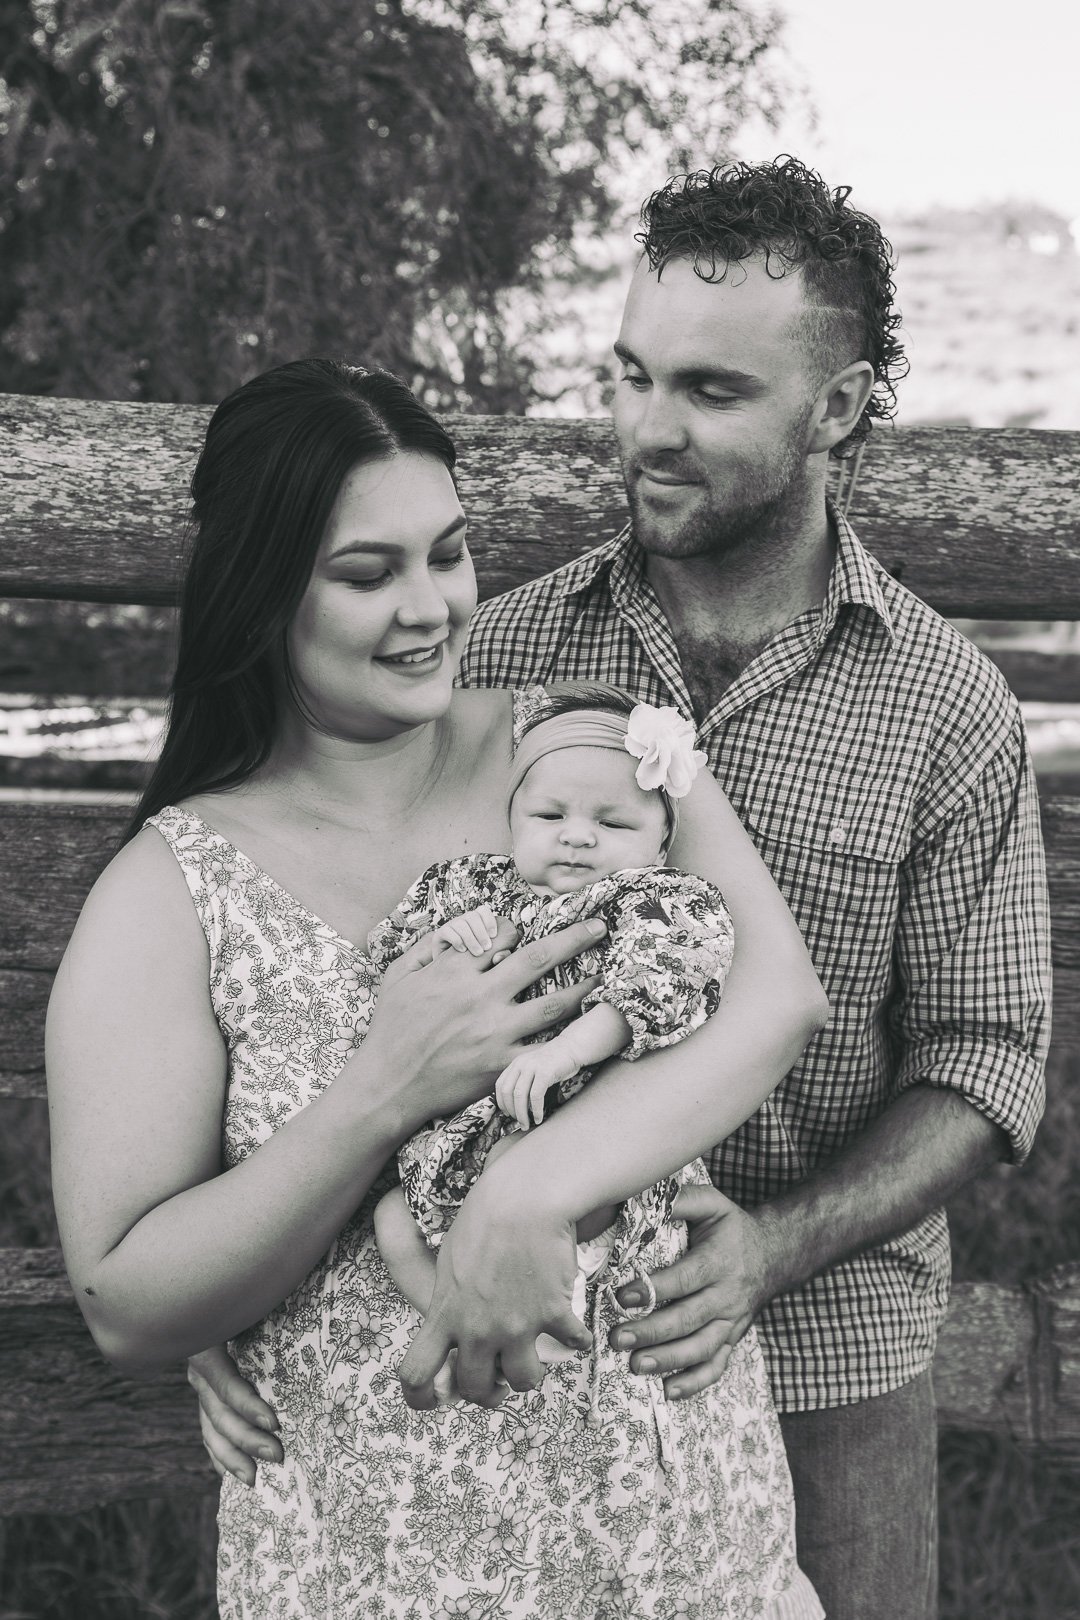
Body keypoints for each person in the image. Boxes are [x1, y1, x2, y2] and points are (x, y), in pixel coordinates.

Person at [194, 157, 1053, 1620]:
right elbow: (356, 992)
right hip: (527, 1337)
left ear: (837, 410)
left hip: (831, 1331)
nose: (647, 429)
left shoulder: (943, 705)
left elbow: (987, 1060)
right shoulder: (504, 660)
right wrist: (246, 1285)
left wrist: (771, 1250)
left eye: (710, 393)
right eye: (631, 374)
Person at [47, 358, 830, 1618]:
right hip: (383, 1566)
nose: (431, 608)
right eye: (369, 575)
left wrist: (526, 1190)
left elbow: (773, 996)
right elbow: (129, 1302)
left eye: (449, 554)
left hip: (677, 1537)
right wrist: (377, 1098)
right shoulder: (169, 891)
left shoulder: (579, 750)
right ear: (263, 593)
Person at [370, 683, 736, 1370]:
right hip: (462, 1132)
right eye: (548, 814)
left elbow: (660, 984)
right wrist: (450, 935)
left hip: (574, 1119)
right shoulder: (473, 887)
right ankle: (457, 1324)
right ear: (513, 824)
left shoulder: (652, 899)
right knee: (393, 1219)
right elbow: (393, 958)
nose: (576, 834)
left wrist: (568, 1051)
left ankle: (539, 1323)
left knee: (526, 1184)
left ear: (660, 847)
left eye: (614, 824)